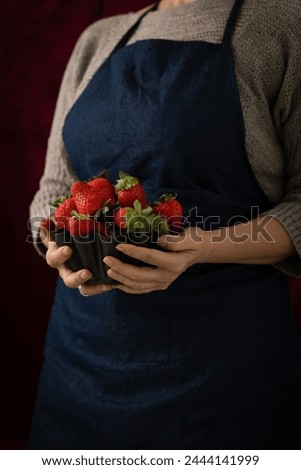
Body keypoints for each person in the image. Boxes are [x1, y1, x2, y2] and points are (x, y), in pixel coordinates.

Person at [28, 0, 301, 449]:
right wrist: (55, 245)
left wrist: (202, 246)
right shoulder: (98, 38)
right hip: (81, 357)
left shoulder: (281, 24)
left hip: (220, 364)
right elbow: (55, 188)